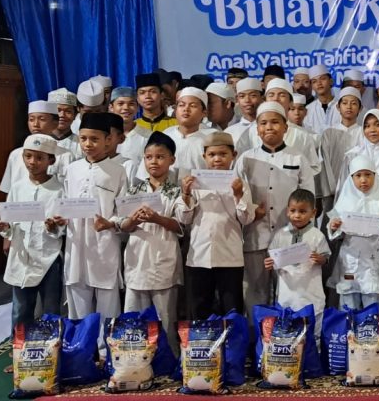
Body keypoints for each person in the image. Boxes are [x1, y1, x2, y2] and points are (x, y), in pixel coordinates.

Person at [235, 102, 315, 312]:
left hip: (290, 237)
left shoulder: (297, 158)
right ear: (257, 128)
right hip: (255, 235)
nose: (269, 127)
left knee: (290, 291)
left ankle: (288, 331)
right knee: (255, 292)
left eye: (274, 122)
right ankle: (258, 332)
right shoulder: (246, 159)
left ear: (285, 127)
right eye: (263, 123)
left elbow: (309, 198)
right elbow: (235, 196)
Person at [0, 135, 66, 336]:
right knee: (21, 308)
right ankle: (19, 349)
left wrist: (53, 227)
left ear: (51, 160)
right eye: (28, 156)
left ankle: (51, 349)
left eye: (39, 158)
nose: (32, 162)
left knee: (51, 308)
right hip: (22, 256)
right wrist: (5, 228)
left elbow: (62, 227)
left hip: (49, 256)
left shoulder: (59, 190)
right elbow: (11, 224)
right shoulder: (17, 188)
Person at [63, 112, 129, 332]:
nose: (88, 144)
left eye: (94, 139)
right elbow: (65, 202)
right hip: (76, 243)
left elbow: (123, 210)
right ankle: (80, 346)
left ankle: (105, 347)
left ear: (108, 140)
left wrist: (110, 223)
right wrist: (59, 219)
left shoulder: (117, 171)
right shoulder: (72, 169)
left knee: (107, 301)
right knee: (77, 295)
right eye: (83, 139)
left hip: (104, 243)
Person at [178, 132, 254, 319]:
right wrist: (185, 194)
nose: (217, 159)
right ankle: (201, 339)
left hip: (229, 255)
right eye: (212, 155)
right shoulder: (194, 183)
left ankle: (232, 339)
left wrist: (238, 194)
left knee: (232, 310)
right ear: (204, 157)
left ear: (233, 155)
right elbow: (184, 219)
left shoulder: (240, 184)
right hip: (199, 255)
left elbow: (246, 219)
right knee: (199, 309)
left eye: (223, 154)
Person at [120, 131, 184, 346]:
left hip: (163, 260)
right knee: (134, 320)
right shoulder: (134, 190)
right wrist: (132, 220)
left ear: (172, 160)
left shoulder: (176, 191)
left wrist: (157, 218)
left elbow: (180, 226)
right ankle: (134, 358)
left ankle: (169, 358)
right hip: (136, 261)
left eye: (160, 157)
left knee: (166, 319)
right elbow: (123, 225)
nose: (154, 162)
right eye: (149, 157)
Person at [327, 155, 379, 311]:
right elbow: (334, 230)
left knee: (373, 300)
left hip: (373, 258)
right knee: (348, 300)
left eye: (368, 175)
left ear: (374, 176)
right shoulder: (345, 200)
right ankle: (350, 326)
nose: (363, 180)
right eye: (358, 175)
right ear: (351, 178)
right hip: (350, 258)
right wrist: (334, 226)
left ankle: (372, 326)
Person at [265, 188, 331, 340]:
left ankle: (313, 354)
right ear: (287, 211)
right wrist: (269, 263)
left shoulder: (317, 235)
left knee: (313, 336)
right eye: (293, 211)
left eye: (302, 211)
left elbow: (326, 258)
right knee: (287, 335)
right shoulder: (280, 235)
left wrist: (320, 259)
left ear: (313, 212)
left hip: (311, 294)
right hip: (287, 294)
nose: (297, 215)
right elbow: (273, 258)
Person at [317, 88, 363, 220]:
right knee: (330, 225)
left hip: (358, 192)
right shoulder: (329, 133)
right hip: (331, 193)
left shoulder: (363, 133)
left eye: (353, 103)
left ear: (360, 108)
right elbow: (324, 164)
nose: (349, 107)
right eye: (345, 103)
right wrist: (332, 190)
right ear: (338, 107)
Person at [0, 100, 60, 194]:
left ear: (55, 123)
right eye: (31, 120)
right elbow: (8, 190)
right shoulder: (15, 154)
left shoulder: (64, 154)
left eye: (42, 119)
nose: (35, 124)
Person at [163, 87, 216, 171]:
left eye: (193, 106)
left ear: (204, 112)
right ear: (175, 110)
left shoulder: (213, 138)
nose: (186, 109)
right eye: (181, 105)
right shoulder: (165, 136)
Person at [110, 86, 151, 163]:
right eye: (120, 104)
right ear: (111, 107)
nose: (126, 108)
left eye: (131, 104)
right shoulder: (104, 135)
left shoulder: (147, 136)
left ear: (137, 108)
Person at [225, 78, 262, 154]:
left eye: (253, 96)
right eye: (242, 96)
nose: (247, 100)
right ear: (237, 99)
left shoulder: (269, 128)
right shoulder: (229, 132)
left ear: (261, 98)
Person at [48, 89, 82, 159]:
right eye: (58, 110)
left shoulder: (81, 144)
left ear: (75, 115)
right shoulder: (38, 140)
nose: (62, 115)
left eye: (68, 111)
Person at [305, 64, 339, 134]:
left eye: (323, 79)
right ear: (312, 86)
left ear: (331, 81)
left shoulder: (342, 106)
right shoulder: (308, 110)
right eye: (314, 81)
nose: (319, 83)